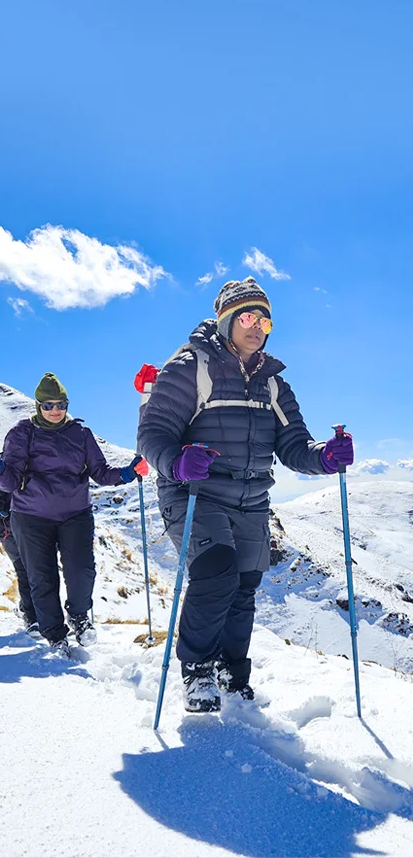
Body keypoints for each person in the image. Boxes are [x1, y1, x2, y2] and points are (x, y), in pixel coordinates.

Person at [137, 276, 354, 712]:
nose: (258, 326)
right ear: (227, 319)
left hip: (252, 499)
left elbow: (294, 445)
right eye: (249, 316)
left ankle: (232, 670)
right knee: (216, 575)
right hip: (193, 491)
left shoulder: (274, 385)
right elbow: (152, 434)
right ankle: (197, 672)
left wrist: (325, 456)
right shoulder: (189, 367)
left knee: (243, 589)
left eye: (266, 321)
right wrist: (177, 462)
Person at [0, 372, 147, 655]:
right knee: (41, 577)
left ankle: (79, 617)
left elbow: (101, 472)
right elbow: (9, 482)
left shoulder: (80, 434)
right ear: (38, 405)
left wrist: (127, 473)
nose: (55, 410)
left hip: (75, 513)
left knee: (82, 571)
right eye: (48, 405)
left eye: (61, 404)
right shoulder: (22, 433)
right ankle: (55, 634)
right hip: (31, 516)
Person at [0, 475, 39, 636]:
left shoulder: (43, 456)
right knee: (25, 568)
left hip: (42, 525)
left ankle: (38, 613)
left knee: (41, 569)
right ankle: (32, 617)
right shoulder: (1, 465)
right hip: (9, 525)